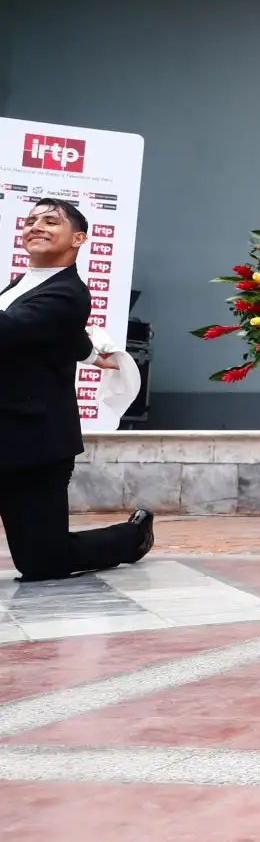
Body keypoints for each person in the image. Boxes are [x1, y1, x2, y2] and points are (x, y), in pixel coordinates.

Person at [1, 198, 154, 581]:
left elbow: (14, 329)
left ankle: (132, 537)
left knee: (41, 563)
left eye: (50, 221)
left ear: (78, 238)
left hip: (32, 443)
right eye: (31, 220)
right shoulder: (22, 284)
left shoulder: (69, 292)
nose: (35, 225)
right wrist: (91, 354)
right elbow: (57, 334)